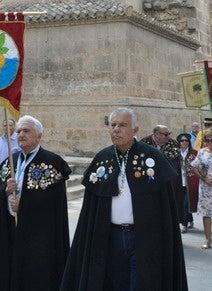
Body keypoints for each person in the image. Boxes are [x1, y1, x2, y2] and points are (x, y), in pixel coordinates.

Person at [60, 107, 187, 290]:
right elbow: (91, 208)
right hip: (109, 236)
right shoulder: (102, 158)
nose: (116, 129)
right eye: (113, 125)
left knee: (141, 283)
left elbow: (165, 206)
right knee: (113, 283)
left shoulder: (152, 157)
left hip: (144, 237)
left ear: (135, 130)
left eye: (122, 125)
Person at [0, 115, 71, 291]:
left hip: (38, 236)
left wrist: (26, 206)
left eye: (26, 131)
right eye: (19, 131)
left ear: (39, 135)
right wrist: (4, 191)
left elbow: (55, 204)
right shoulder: (10, 161)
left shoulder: (53, 163)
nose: (20, 134)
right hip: (9, 231)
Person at [140, 124, 184, 222]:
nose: (168, 136)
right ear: (156, 134)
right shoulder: (144, 143)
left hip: (167, 180)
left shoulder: (173, 144)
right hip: (149, 181)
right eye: (166, 134)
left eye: (169, 134)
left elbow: (175, 165)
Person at [176, 132, 198, 232]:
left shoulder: (194, 153)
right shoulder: (176, 153)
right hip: (179, 182)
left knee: (186, 203)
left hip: (191, 181)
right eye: (182, 141)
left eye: (186, 140)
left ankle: (184, 225)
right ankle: (190, 220)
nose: (184, 142)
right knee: (182, 203)